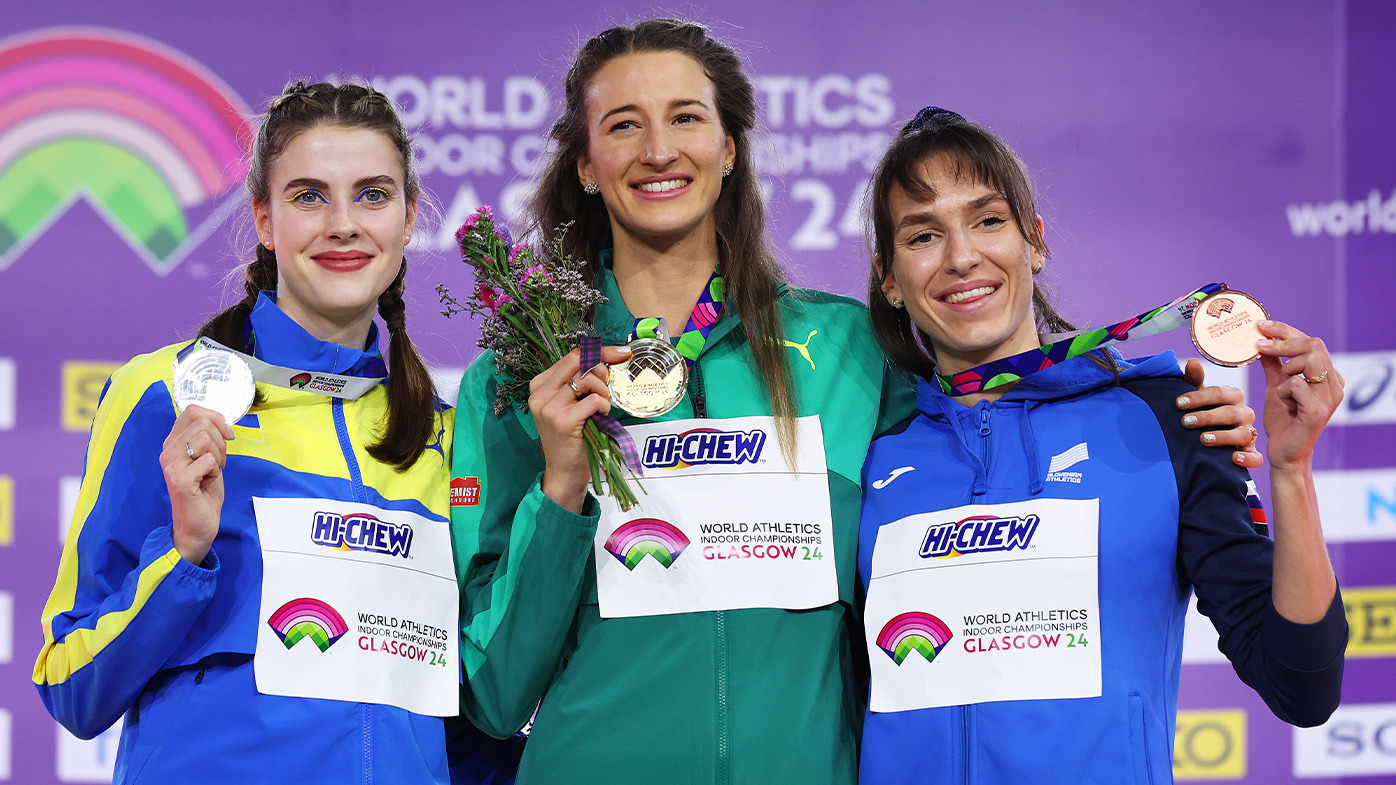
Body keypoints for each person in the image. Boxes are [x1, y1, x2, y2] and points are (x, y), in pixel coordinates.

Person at [449, 21, 1262, 785]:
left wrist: (1149, 408)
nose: (659, 149)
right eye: (624, 124)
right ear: (586, 163)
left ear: (729, 148)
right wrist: (560, 489)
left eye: (686, 118)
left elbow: (986, 429)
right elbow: (494, 694)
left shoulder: (849, 348)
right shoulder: (527, 374)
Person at [857, 107, 1347, 785]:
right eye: (923, 234)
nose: (962, 255)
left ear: (1034, 241)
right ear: (889, 277)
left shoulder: (1161, 419)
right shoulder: (868, 448)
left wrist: (1290, 471)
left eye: (989, 220)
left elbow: (1303, 685)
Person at [33, 80, 482, 783]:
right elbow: (70, 685)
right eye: (309, 196)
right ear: (264, 220)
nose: (343, 224)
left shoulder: (443, 434)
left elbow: (460, 705)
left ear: (409, 217)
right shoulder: (167, 393)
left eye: (372, 194)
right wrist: (183, 553)